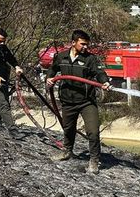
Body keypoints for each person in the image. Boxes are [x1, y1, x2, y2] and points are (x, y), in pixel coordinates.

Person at [46, 30, 111, 174]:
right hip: (68, 101)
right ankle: (67, 152)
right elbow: (52, 69)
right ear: (73, 43)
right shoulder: (61, 56)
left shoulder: (90, 59)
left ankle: (94, 160)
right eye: (83, 44)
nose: (85, 47)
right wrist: (49, 78)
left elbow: (99, 73)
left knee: (93, 132)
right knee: (68, 129)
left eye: (87, 44)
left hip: (86, 101)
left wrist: (104, 82)